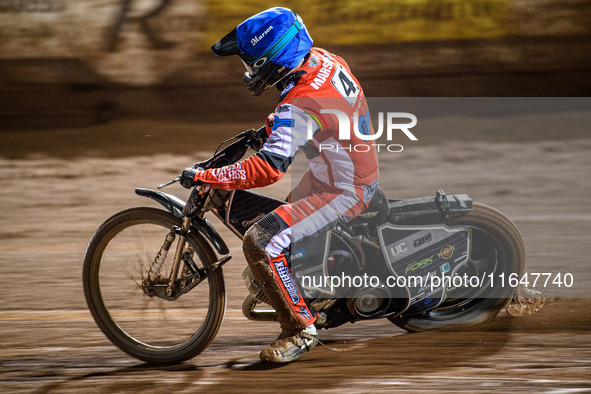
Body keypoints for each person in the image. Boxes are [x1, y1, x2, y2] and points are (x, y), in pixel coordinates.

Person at [180, 7, 379, 363]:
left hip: (343, 190)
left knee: (262, 240)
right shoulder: (322, 60)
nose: (250, 71)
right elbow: (318, 117)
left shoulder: (299, 103)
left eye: (253, 62)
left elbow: (269, 169)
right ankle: (308, 283)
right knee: (284, 224)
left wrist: (207, 175)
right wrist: (269, 131)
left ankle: (300, 330)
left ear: (276, 57)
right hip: (336, 171)